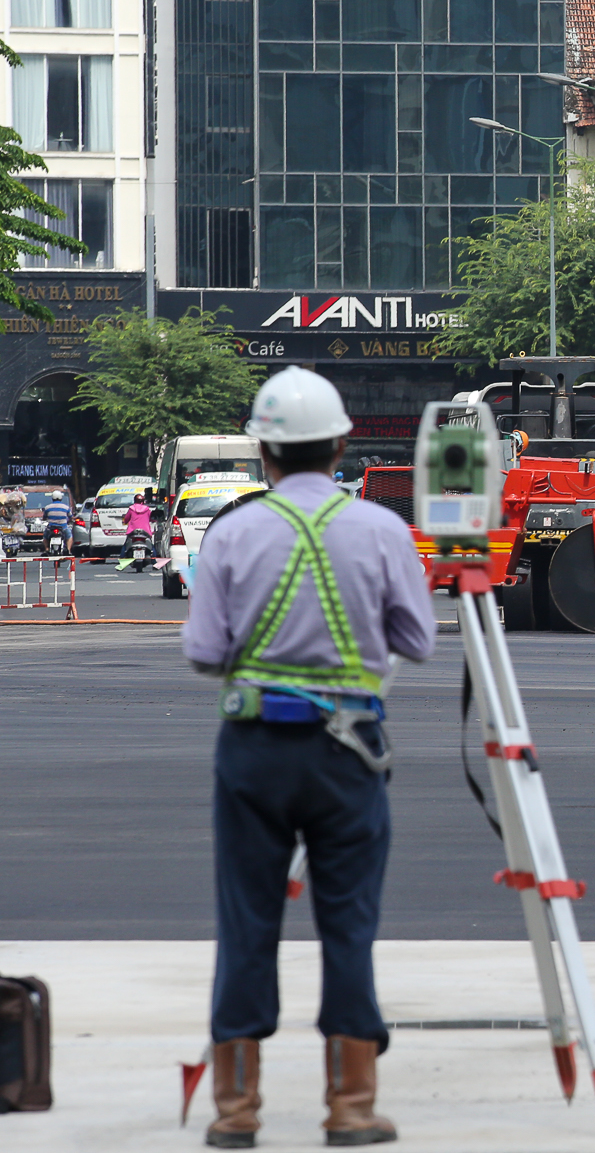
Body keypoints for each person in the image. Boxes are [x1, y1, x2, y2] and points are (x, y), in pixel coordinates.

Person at [182, 366, 435, 1148]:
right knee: (348, 926)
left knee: (246, 922)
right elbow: (418, 641)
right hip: (348, 752)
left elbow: (203, 652)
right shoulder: (382, 531)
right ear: (341, 445)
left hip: (253, 750)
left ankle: (236, 1111)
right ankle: (351, 1108)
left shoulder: (230, 532)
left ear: (265, 452)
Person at [119, 491, 155, 569]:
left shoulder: (131, 509)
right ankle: (155, 563)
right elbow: (151, 519)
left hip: (132, 531)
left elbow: (126, 519)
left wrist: (125, 521)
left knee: (125, 546)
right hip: (145, 531)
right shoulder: (147, 509)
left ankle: (121, 563)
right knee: (152, 547)